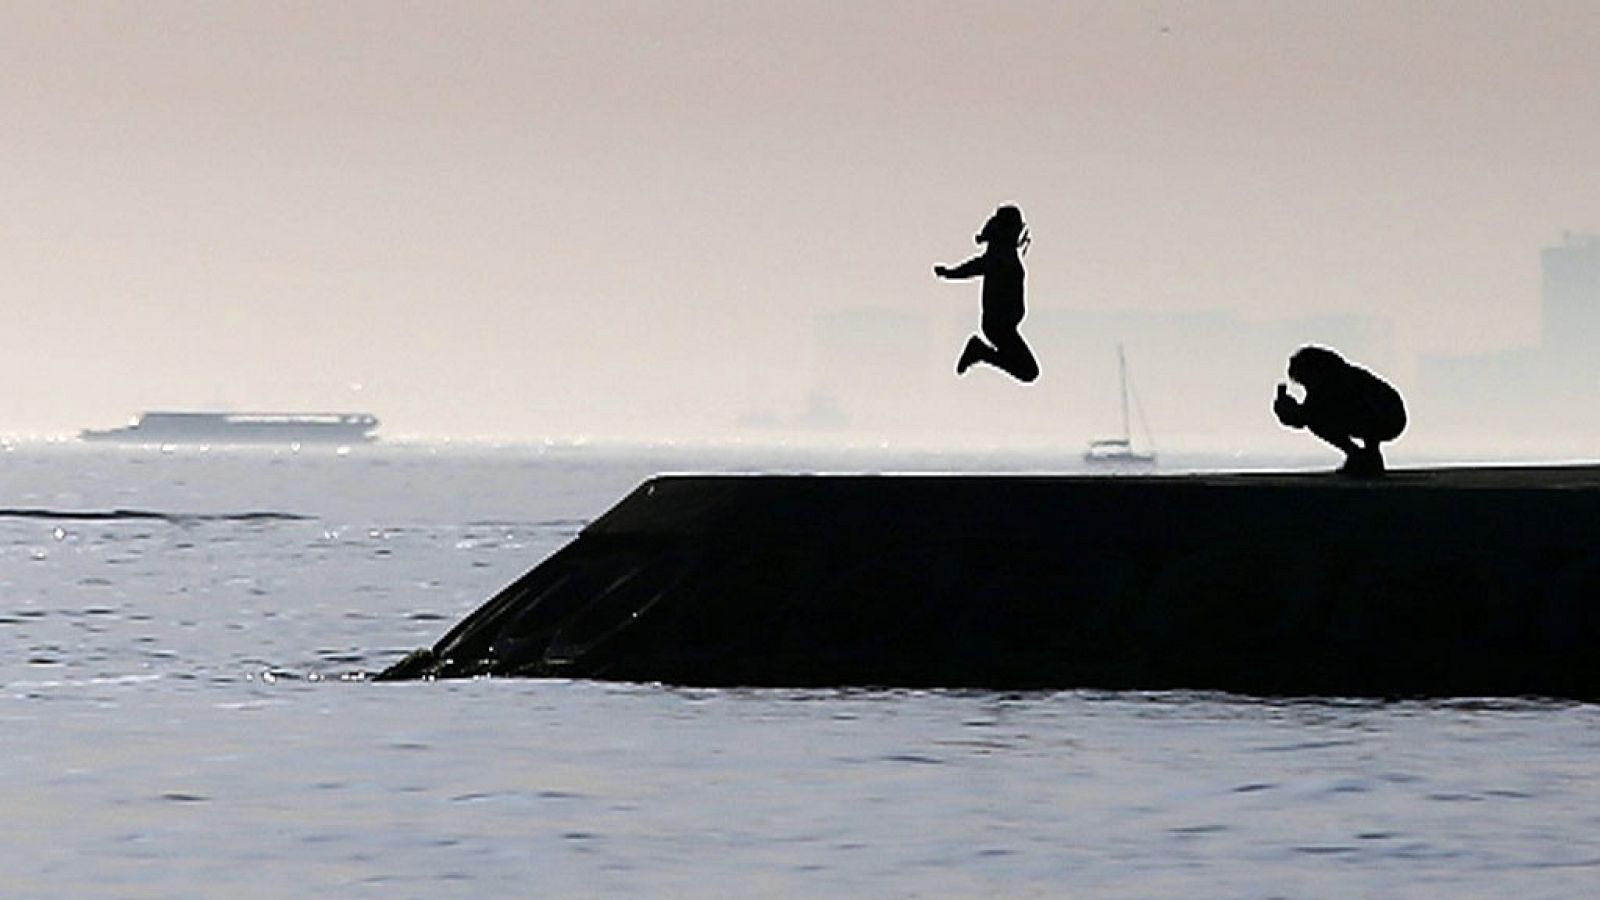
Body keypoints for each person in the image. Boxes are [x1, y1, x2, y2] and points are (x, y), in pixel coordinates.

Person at [934, 205, 1040, 383]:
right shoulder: (999, 256)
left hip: (1004, 326)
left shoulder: (1005, 255)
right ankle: (979, 351)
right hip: (998, 326)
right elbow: (975, 267)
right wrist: (950, 273)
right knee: (1029, 371)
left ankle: (980, 351)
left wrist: (950, 273)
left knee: (1028, 371)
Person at [1273, 345, 1407, 475]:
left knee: (1318, 419)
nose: (1305, 386)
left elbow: (1310, 417)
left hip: (1386, 416)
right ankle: (1366, 454)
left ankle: (1360, 455)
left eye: (1303, 381)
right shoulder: (1342, 376)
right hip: (1391, 416)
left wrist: (1293, 412)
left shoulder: (1333, 383)